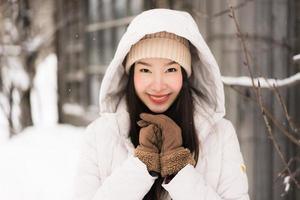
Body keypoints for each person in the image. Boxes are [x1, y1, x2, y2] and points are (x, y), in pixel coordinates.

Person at [72, 8, 250, 200]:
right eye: (146, 70)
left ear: (184, 73)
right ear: (131, 75)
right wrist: (142, 165)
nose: (158, 85)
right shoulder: (100, 136)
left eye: (171, 69)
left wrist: (179, 170)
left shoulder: (220, 135)